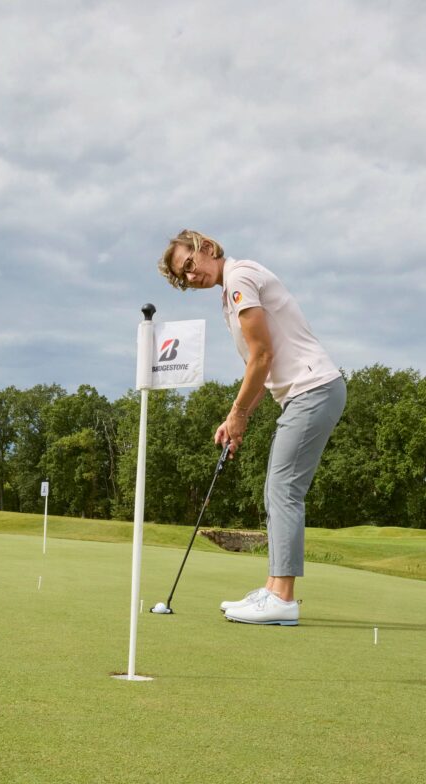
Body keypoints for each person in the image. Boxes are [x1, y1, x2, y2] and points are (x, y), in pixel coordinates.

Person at [158, 228, 346, 625]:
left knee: (284, 489)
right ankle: (273, 589)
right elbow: (260, 372)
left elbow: (262, 355)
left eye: (190, 264)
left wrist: (238, 413)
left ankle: (283, 599)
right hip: (303, 393)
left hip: (313, 389)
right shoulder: (230, 294)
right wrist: (235, 419)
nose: (191, 276)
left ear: (207, 247)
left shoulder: (240, 277)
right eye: (184, 277)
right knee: (277, 488)